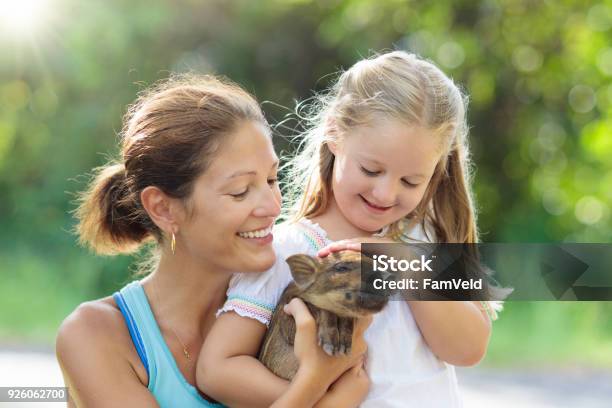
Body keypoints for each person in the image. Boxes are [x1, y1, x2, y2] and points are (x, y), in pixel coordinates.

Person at [197, 51, 501, 407]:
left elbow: (468, 349)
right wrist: (325, 397)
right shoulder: (287, 251)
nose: (386, 192)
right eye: (371, 170)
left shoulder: (425, 242)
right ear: (334, 133)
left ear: (436, 170)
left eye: (410, 180)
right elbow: (217, 370)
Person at [55, 74, 369, 407]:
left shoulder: (287, 282)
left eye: (271, 179)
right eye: (240, 191)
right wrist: (317, 385)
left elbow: (424, 270)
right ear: (163, 209)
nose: (272, 206)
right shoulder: (94, 336)